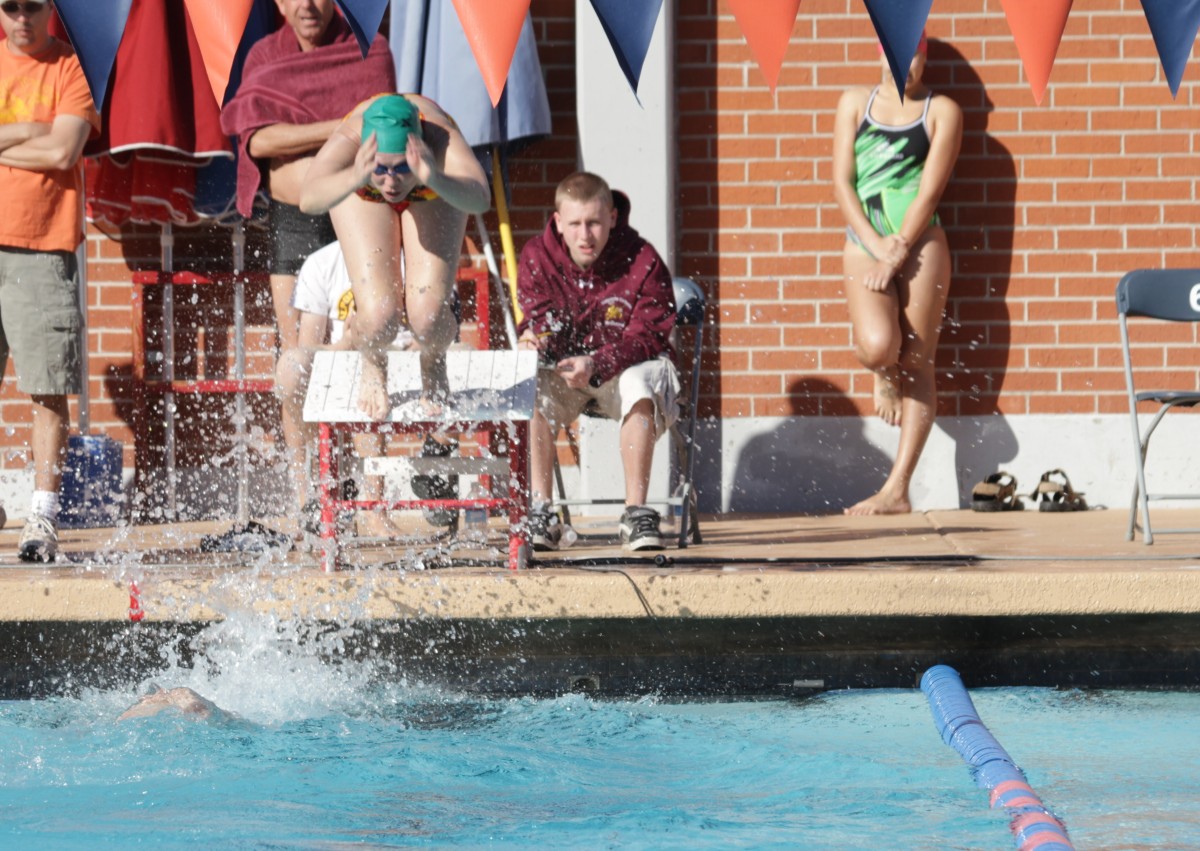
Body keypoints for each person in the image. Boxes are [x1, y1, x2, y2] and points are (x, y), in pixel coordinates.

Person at [220, 0, 394, 490]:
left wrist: (301, 136)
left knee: (367, 352)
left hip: (359, 216)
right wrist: (341, 129)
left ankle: (374, 499)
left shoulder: (369, 48)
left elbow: (381, 130)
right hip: (293, 223)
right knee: (298, 356)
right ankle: (307, 494)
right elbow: (256, 142)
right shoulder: (263, 56)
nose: (307, 5)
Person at [831, 34, 962, 516]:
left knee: (920, 361)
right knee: (880, 346)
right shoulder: (854, 103)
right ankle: (882, 373)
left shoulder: (942, 110)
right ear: (879, 52)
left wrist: (899, 250)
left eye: (915, 56)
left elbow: (930, 192)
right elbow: (841, 181)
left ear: (925, 58)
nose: (905, 65)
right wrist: (875, 244)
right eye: (896, 53)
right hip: (866, 240)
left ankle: (897, 489)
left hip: (921, 240)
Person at [299, 93, 490, 421]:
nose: (390, 182)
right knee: (377, 317)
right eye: (381, 169)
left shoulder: (441, 139)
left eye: (401, 167)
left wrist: (434, 178)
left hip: (430, 187)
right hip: (361, 191)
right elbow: (309, 200)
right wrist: (356, 176)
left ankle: (433, 360)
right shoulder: (351, 138)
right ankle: (373, 363)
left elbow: (480, 199)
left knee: (428, 316)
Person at [517, 172, 679, 552]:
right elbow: (540, 321)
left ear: (612, 217)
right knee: (528, 384)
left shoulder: (643, 260)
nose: (585, 235)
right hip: (567, 374)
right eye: (574, 224)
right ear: (558, 222)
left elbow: (649, 336)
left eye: (593, 222)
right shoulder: (537, 257)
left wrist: (597, 363)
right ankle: (542, 511)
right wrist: (534, 341)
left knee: (641, 382)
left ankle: (636, 513)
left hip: (624, 372)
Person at [0, 0, 101, 562]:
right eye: (9, 6)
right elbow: (49, 142)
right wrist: (30, 133)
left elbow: (66, 148)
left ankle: (42, 513)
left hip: (42, 242)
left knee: (46, 384)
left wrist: (4, 136)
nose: (21, 18)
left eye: (32, 6)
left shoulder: (70, 66)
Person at [274, 241, 415, 538]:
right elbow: (308, 344)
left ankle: (375, 508)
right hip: (342, 355)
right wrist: (346, 344)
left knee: (372, 363)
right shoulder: (322, 262)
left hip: (398, 359)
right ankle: (306, 501)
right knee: (291, 366)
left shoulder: (411, 260)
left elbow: (427, 333)